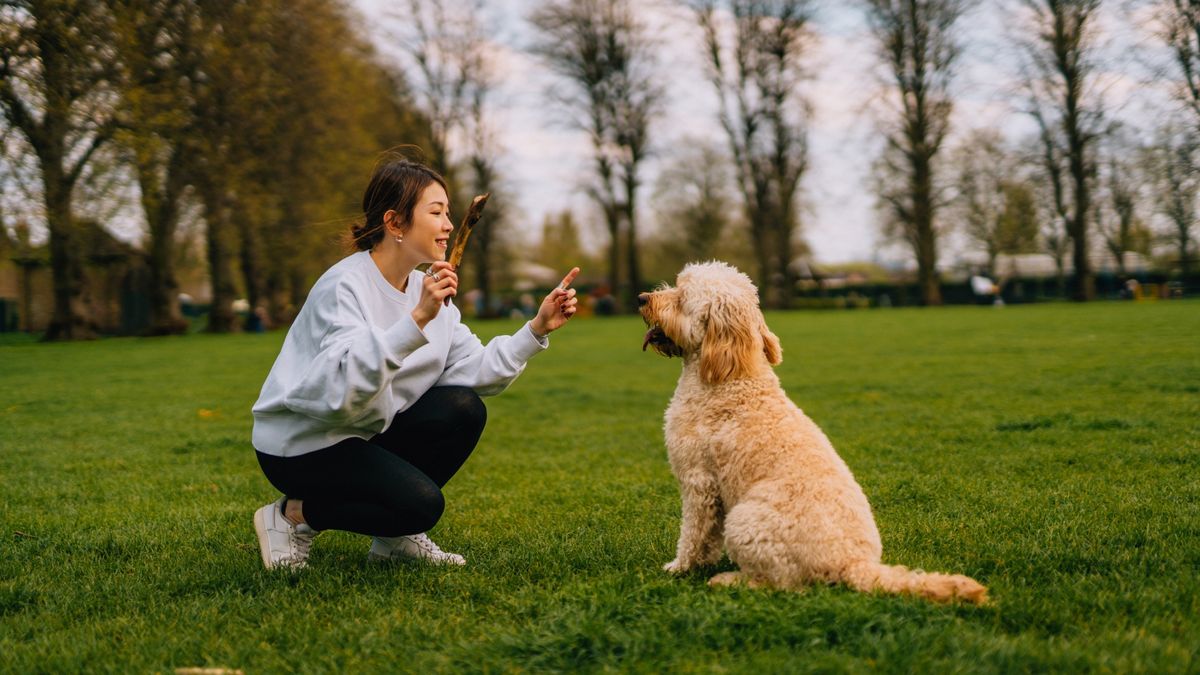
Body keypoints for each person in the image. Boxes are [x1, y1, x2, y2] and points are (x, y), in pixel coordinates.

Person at [251, 157, 579, 570]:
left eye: (450, 213)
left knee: (464, 408)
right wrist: (418, 319)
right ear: (395, 223)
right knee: (421, 506)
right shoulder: (345, 286)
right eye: (436, 212)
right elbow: (343, 392)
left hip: (361, 434)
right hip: (303, 445)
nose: (448, 224)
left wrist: (536, 328)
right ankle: (292, 515)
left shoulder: (425, 291)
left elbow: (476, 371)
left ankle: (390, 541)